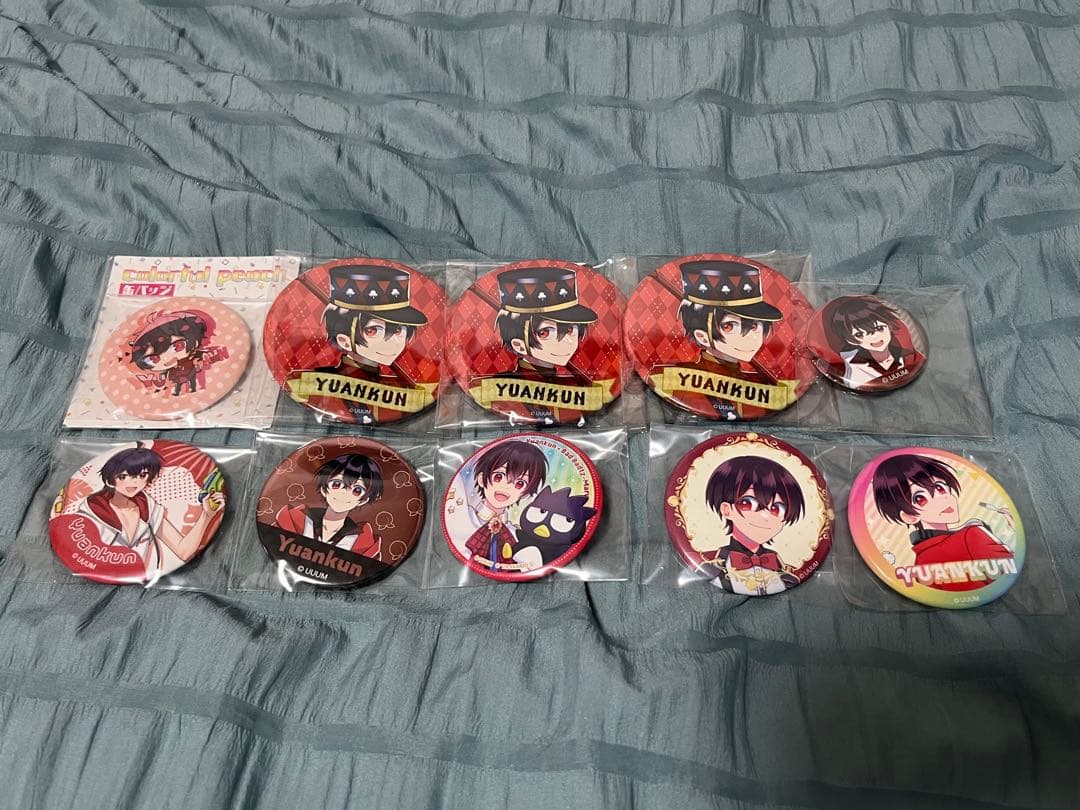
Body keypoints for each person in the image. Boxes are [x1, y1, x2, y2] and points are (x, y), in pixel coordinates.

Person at [75, 444, 225, 579]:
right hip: (100, 577)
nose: (134, 482)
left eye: (142, 476)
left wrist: (207, 515)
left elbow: (184, 551)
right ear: (109, 480)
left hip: (147, 579)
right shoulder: (92, 511)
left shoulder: (148, 508)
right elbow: (78, 555)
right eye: (123, 476)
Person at [304, 264, 428, 424]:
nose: (393, 342)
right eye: (373, 330)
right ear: (344, 341)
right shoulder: (315, 382)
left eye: (398, 330)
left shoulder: (401, 388)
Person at [871, 454, 1014, 592]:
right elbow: (1010, 568)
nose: (942, 499)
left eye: (940, 488)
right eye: (920, 498)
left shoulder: (920, 560)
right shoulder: (972, 534)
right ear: (909, 516)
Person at [675, 259, 784, 420]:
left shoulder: (764, 385)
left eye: (754, 326)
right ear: (702, 336)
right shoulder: (676, 380)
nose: (750, 337)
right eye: (729, 326)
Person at [491, 265, 598, 424]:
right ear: (519, 345)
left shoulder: (576, 383)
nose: (567, 341)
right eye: (545, 333)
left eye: (570, 330)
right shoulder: (500, 386)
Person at [702, 455, 805, 595]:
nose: (765, 516)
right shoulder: (711, 565)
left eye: (776, 508)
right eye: (747, 503)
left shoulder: (787, 573)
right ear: (726, 510)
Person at [274, 453, 384, 558]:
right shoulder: (293, 520)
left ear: (362, 501)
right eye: (337, 484)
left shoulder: (362, 542)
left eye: (357, 490)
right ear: (324, 489)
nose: (344, 493)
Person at [463, 440, 548, 570]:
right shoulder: (465, 517)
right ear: (481, 479)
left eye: (519, 483)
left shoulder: (514, 534)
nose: (506, 486)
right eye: (498, 476)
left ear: (524, 495)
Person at [825, 296, 918, 388]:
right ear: (850, 340)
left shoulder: (909, 355)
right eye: (859, 334)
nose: (874, 337)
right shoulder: (850, 366)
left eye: (879, 328)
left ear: (889, 327)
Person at [129, 310, 225, 396]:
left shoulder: (198, 356)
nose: (167, 358)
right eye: (151, 359)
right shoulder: (164, 373)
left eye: (178, 346)